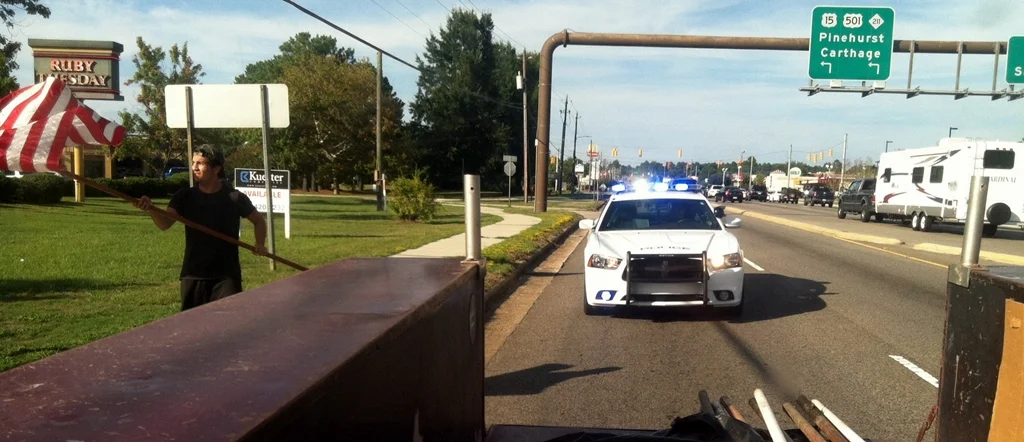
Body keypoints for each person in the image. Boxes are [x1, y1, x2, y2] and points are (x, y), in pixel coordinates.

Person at [135, 145, 268, 311]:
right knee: (192, 328)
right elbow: (164, 224)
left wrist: (260, 243)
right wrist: (151, 209)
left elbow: (259, 221)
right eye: (193, 162)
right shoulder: (185, 196)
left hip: (226, 277)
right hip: (193, 274)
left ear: (216, 168)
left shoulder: (234, 198)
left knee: (228, 326)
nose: (194, 168)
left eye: (200, 163)